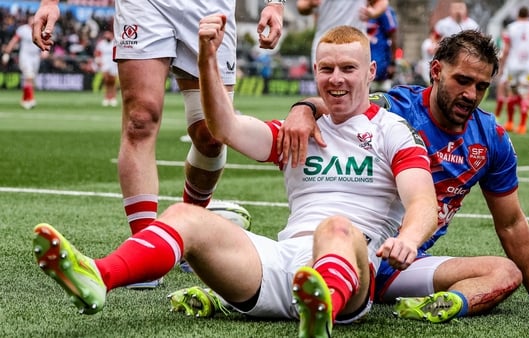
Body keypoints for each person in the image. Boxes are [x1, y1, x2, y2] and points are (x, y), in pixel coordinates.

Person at [33, 20, 439, 338]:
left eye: (348, 69)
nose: (337, 79)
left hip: (350, 272)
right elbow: (224, 127)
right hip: (282, 269)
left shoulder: (393, 131)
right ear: (315, 71)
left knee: (334, 227)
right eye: (327, 69)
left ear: (370, 72)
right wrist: (207, 59)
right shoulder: (296, 131)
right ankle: (99, 277)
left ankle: (322, 317)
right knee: (184, 215)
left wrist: (408, 239)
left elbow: (423, 202)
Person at [278, 29, 529, 324]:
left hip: (404, 265)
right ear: (436, 72)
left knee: (505, 273)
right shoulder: (395, 107)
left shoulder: (491, 139)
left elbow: (511, 222)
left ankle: (433, 307)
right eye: (462, 80)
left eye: (481, 86)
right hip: (356, 250)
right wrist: (303, 108)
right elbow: (340, 101)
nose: (471, 94)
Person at [32, 0, 285, 288]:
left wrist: (275, 4)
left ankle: (190, 230)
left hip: (210, 7)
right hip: (145, 5)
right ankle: (146, 253)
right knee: (140, 119)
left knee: (211, 135)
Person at [296, 0, 389, 68]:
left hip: (356, 42)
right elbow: (301, 6)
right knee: (323, 87)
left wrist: (373, 12)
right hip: (325, 42)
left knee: (359, 86)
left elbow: (382, 2)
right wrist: (310, 4)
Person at [499, 6, 529, 135]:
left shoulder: (511, 28)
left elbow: (506, 50)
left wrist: (502, 67)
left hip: (513, 66)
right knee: (525, 95)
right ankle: (522, 126)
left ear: (518, 15)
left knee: (512, 95)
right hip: (528, 67)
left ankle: (509, 122)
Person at [2, 16, 43, 110]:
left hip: (35, 57)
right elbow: (14, 41)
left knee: (31, 80)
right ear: (28, 20)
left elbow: (44, 42)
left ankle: (24, 100)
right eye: (31, 19)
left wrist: (45, 52)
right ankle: (31, 100)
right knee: (29, 77)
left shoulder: (40, 30)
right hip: (25, 56)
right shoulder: (23, 29)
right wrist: (7, 51)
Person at [366, 3, 398, 92]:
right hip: (364, 66)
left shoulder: (385, 10)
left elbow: (393, 37)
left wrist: (392, 63)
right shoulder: (361, 9)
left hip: (381, 67)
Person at [94, 29, 118, 107]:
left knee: (113, 82)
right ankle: (107, 98)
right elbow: (97, 52)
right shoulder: (101, 44)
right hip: (105, 63)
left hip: (113, 64)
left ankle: (113, 98)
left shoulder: (115, 42)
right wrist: (98, 61)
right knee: (106, 81)